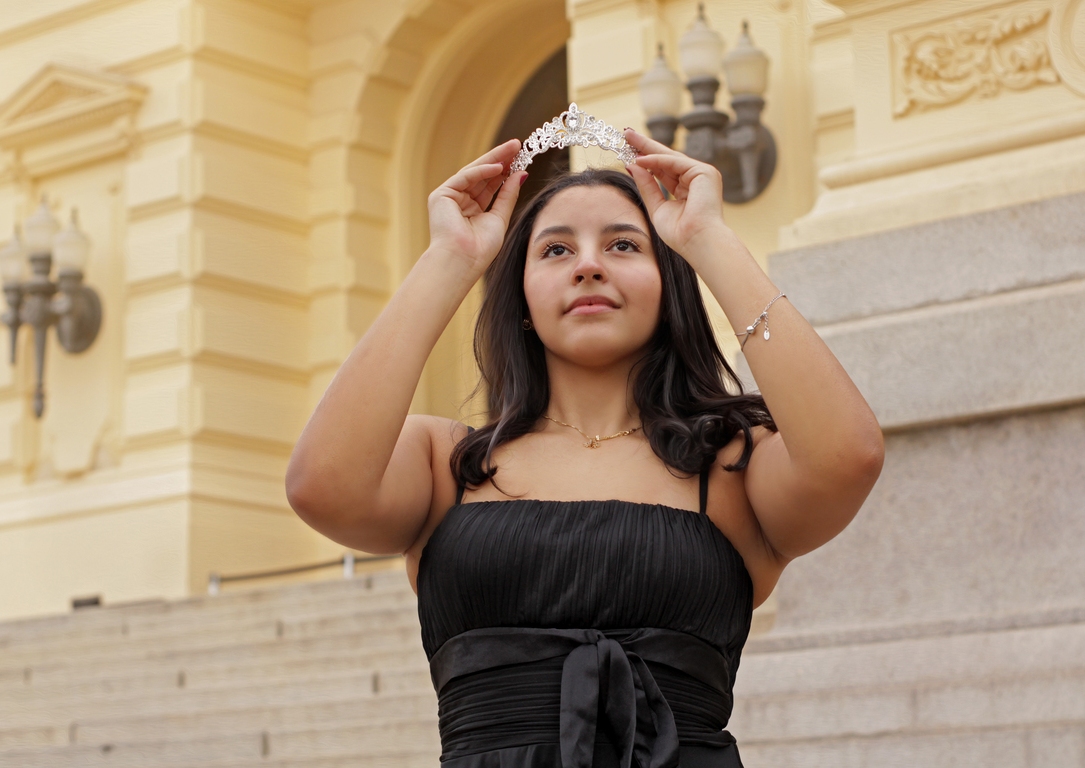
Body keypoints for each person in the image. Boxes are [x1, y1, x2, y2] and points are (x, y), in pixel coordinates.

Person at [286, 128, 885, 767]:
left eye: (624, 244)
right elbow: (322, 487)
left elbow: (849, 456)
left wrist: (707, 239)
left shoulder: (732, 462)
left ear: (669, 286)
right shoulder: (447, 462)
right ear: (520, 298)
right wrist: (450, 259)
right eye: (556, 250)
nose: (588, 264)